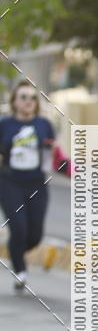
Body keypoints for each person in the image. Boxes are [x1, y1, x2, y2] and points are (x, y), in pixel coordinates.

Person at [0, 80, 66, 291]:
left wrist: (73, 169)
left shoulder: (44, 125)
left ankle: (15, 251)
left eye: (32, 98)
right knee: (18, 228)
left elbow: (53, 154)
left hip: (37, 183)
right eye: (23, 97)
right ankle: (20, 270)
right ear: (14, 101)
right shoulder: (5, 125)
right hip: (10, 183)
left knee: (34, 235)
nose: (29, 101)